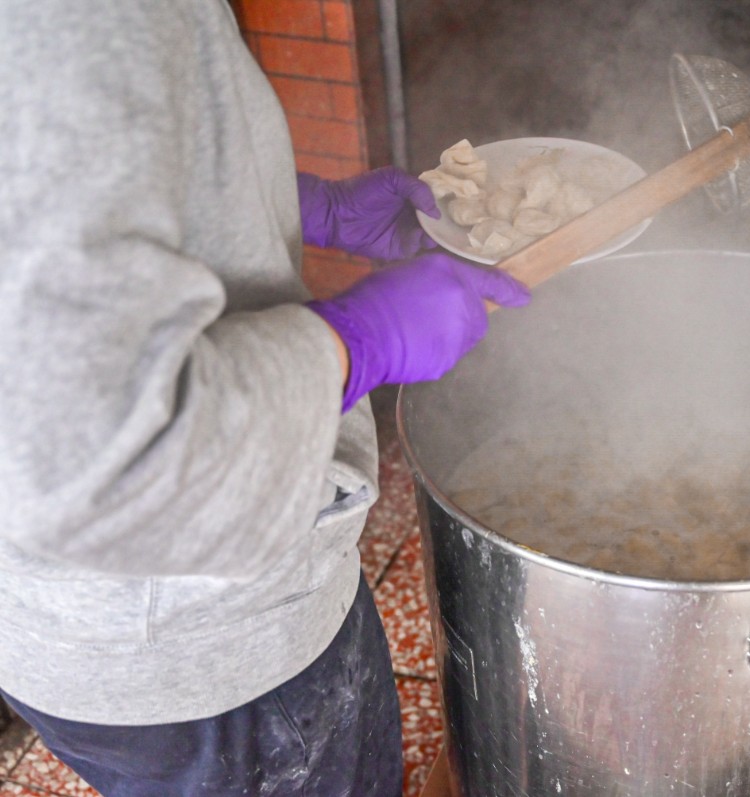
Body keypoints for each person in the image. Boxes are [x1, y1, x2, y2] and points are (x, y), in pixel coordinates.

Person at [0, 1, 529, 794]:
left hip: (103, 629)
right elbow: (92, 459)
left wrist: (292, 203)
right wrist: (360, 339)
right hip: (201, 649)